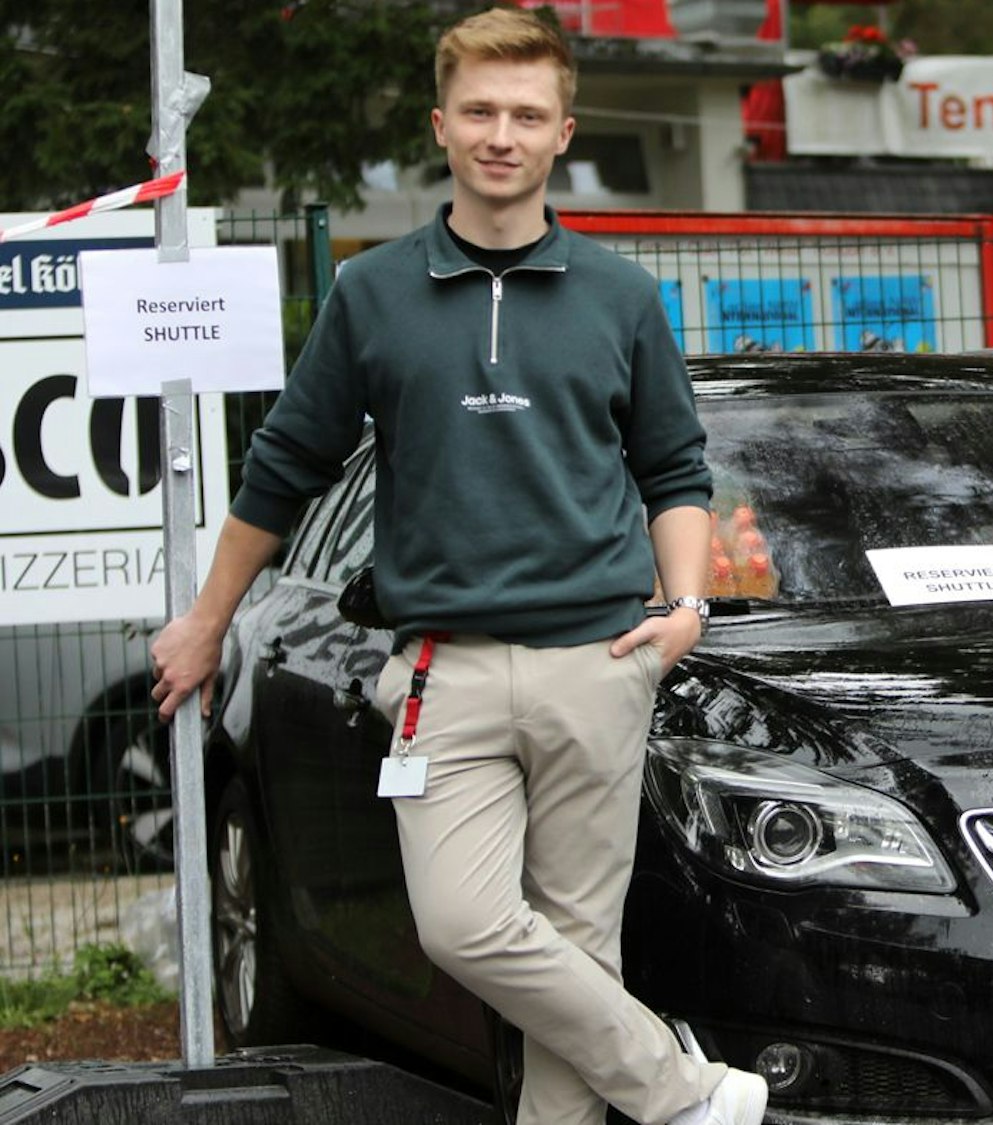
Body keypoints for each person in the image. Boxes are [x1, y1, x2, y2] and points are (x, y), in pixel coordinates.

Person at [149, 9, 766, 1125]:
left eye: (526, 115)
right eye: (479, 111)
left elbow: (674, 468)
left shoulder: (620, 295)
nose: (501, 134)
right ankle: (682, 1088)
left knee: (576, 946)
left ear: (562, 132)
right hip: (442, 671)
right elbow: (284, 465)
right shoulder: (371, 292)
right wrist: (204, 621)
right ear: (441, 125)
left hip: (601, 658)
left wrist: (685, 607)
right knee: (461, 924)